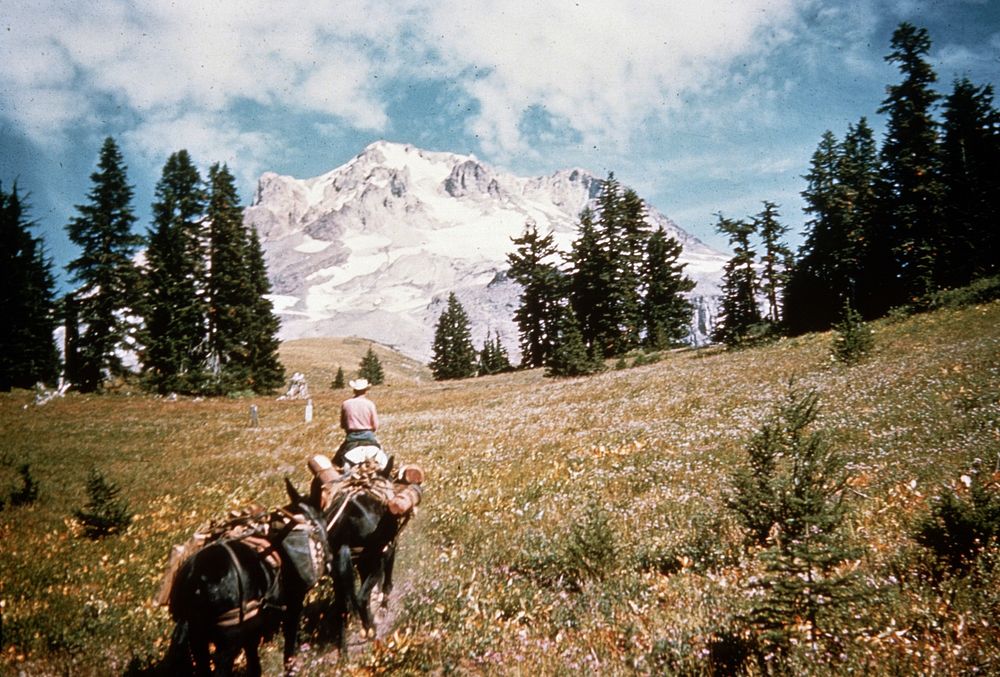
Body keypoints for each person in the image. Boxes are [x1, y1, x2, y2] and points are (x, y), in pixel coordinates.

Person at [334, 378, 382, 467]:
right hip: (368, 436)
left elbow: (343, 425)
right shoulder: (370, 404)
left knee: (336, 463)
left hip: (352, 437)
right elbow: (375, 426)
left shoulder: (346, 404)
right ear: (365, 391)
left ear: (354, 390)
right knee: (383, 460)